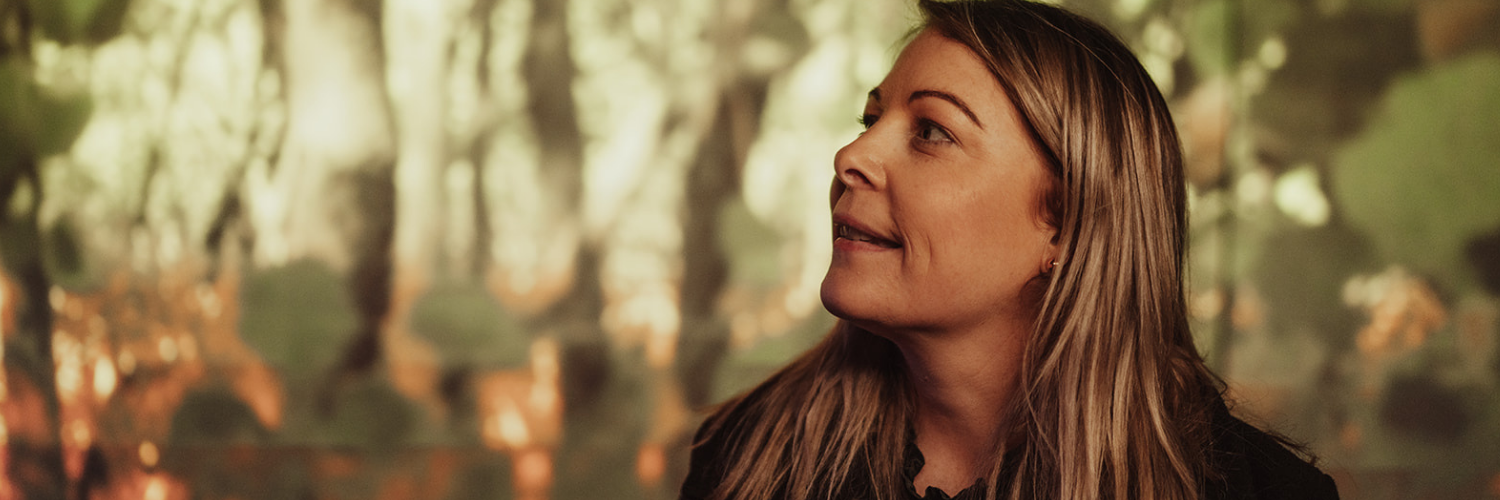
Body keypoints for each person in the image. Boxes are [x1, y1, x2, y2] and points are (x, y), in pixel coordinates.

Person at [679, 0, 1339, 499]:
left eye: (932, 131)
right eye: (872, 119)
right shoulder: (748, 460)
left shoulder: (1253, 490)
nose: (852, 156)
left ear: (1068, 224)